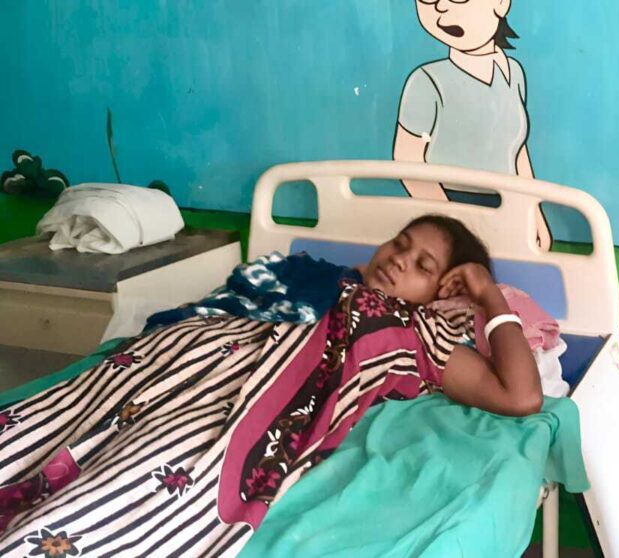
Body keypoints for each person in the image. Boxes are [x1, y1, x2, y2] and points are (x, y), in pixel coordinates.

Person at [0, 214, 541, 556]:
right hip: (175, 357)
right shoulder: (305, 273)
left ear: (445, 290)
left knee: (138, 476)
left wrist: (487, 294)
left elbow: (522, 397)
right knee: (48, 426)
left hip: (239, 401)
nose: (400, 259)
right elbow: (226, 303)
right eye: (400, 244)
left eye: (423, 265)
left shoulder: (416, 332)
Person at [394, 0, 552, 249]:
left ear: (501, 3)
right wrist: (452, 222)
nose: (440, 6)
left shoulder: (514, 73)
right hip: (447, 202)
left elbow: (517, 151)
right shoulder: (427, 81)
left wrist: (534, 213)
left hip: (509, 205)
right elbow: (407, 160)